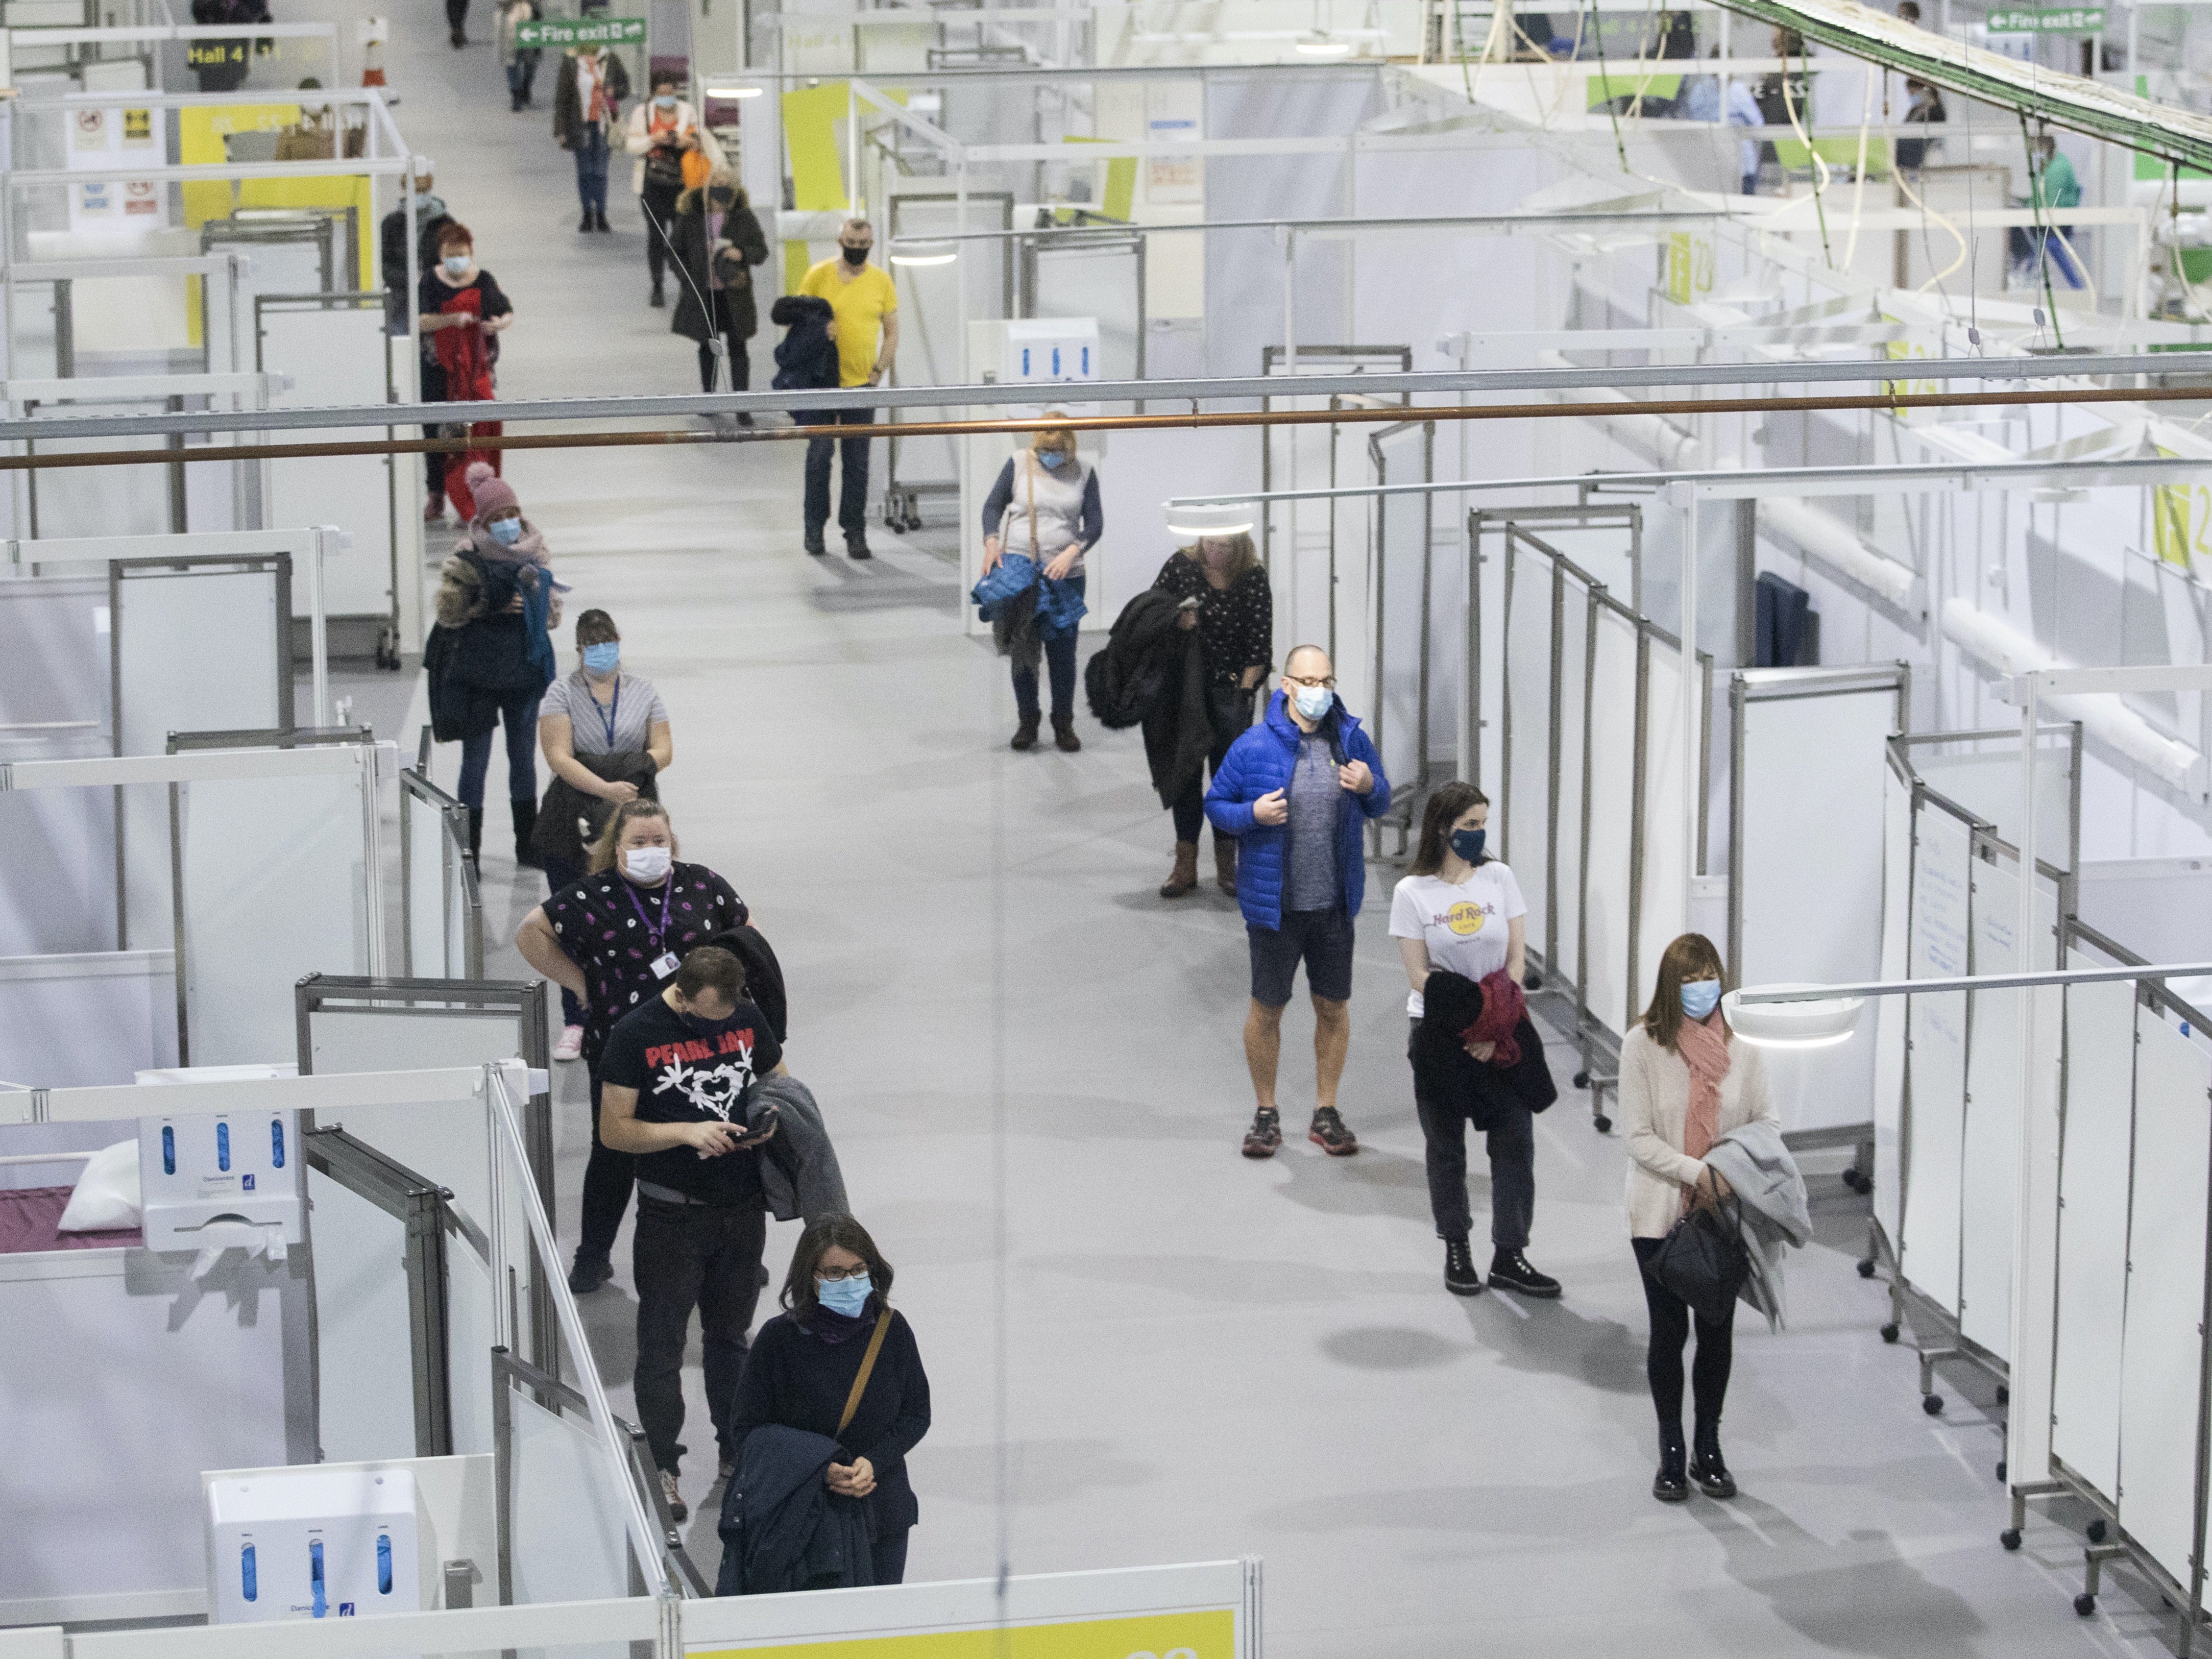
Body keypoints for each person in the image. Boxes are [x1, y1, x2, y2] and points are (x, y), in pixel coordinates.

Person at [514, 800, 750, 1294]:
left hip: (700, 1045)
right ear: (615, 848)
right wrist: (580, 985)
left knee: (716, 1142)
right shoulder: (591, 895)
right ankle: (593, 1254)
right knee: (614, 1150)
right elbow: (531, 932)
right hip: (622, 1045)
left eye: (658, 841)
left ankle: (733, 1244)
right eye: (638, 843)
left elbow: (744, 933)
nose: (650, 851)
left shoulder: (701, 884)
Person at [597, 945, 785, 1522]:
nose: (717, 1028)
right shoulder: (637, 1032)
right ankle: (664, 1464)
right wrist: (686, 1131)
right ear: (680, 993)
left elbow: (777, 1083)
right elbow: (614, 1131)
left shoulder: (745, 1017)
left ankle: (736, 1449)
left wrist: (767, 1120)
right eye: (704, 1018)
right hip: (670, 1216)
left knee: (731, 1338)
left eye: (724, 1019)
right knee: (662, 1345)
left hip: (741, 1209)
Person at [1205, 645, 1391, 1160]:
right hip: (1275, 908)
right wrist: (1252, 814)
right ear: (1286, 685)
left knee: (1332, 1005)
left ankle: (1325, 1110)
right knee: (1267, 1008)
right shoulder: (1252, 746)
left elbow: (1381, 800)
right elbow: (1216, 806)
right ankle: (1266, 1112)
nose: (1319, 690)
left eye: (1326, 679)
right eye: (1308, 680)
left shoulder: (1350, 740)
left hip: (1333, 905)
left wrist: (1371, 783)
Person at [1620, 933, 1776, 1504]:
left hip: (1723, 1215)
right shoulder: (1643, 1045)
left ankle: (1709, 1447)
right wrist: (1696, 1172)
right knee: (1669, 1331)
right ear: (1670, 985)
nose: (1699, 988)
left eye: (1707, 975)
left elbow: (1765, 1123)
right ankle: (1671, 1450)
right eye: (1687, 979)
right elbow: (1636, 1137)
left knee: (1715, 1329)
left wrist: (1729, 1173)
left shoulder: (1746, 1047)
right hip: (1659, 1214)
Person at [1390, 783, 1561, 1300]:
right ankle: (1457, 1247)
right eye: (1468, 825)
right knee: (1446, 1148)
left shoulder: (1499, 877)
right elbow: (1420, 975)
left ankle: (1510, 1253)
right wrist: (1469, 1023)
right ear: (1441, 827)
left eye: (1482, 823)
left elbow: (1514, 959)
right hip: (1441, 1034)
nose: (1477, 833)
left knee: (1515, 1142)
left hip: (1502, 1029)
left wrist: (1493, 1024)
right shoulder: (1412, 893)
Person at [727, 1215, 931, 1587]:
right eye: (834, 1273)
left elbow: (916, 1415)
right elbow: (747, 1430)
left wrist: (873, 1461)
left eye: (858, 1270)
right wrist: (818, 1469)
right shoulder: (778, 1340)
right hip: (807, 1516)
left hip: (882, 1508)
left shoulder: (892, 1329)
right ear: (810, 1277)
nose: (850, 1282)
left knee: (878, 1633)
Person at [536, 609, 673, 1060]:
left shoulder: (644, 690)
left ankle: (642, 1013)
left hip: (633, 809)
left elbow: (663, 748)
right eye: (591, 646)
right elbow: (558, 756)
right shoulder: (560, 693)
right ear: (578, 650)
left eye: (607, 643)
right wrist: (606, 788)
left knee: (641, 916)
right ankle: (576, 1022)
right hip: (574, 811)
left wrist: (637, 772)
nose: (601, 652)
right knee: (574, 925)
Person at [426, 463, 557, 864]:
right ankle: (471, 847)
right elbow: (448, 614)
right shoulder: (464, 557)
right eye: (496, 519)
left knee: (523, 760)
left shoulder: (537, 551)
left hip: (523, 673)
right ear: (482, 521)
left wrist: (535, 601)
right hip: (478, 677)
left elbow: (553, 616)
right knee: (475, 763)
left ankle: (527, 843)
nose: (506, 524)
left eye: (510, 515)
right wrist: (487, 602)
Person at [1148, 533, 1271, 897]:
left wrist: (1246, 692)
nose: (1215, 553)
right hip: (1183, 688)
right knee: (1185, 772)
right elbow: (1150, 614)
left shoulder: (1252, 577)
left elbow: (1260, 641)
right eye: (1210, 545)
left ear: (1239, 548)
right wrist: (1177, 622)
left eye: (1224, 547)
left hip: (1230, 689)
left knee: (1227, 780)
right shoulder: (1179, 567)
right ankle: (1184, 863)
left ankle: (1226, 863)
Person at [980, 427, 1101, 752]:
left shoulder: (1085, 471)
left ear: (1070, 448)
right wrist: (991, 542)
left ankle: (1063, 722)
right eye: (1045, 450)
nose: (1051, 457)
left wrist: (1073, 551)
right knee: (1023, 647)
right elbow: (992, 507)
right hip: (1020, 569)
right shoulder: (1019, 463)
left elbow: (1095, 523)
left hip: (1067, 573)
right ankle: (1027, 721)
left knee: (1063, 652)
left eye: (1058, 451)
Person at [797, 219, 899, 560]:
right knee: (819, 458)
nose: (857, 247)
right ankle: (814, 528)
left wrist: (877, 373)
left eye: (864, 242)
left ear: (871, 244)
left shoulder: (881, 281)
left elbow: (892, 331)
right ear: (841, 240)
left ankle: (854, 531)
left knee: (857, 463)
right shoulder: (818, 275)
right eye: (852, 241)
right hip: (820, 384)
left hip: (861, 386)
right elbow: (797, 321)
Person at [418, 222, 514, 524]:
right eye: (450, 254)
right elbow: (422, 322)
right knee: (437, 432)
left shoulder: (484, 280)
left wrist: (498, 324)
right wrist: (451, 320)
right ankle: (437, 493)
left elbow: (506, 311)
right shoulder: (430, 283)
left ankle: (482, 492)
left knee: (481, 427)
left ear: (470, 253)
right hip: (438, 368)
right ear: (441, 254)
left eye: (461, 254)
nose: (456, 260)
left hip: (475, 369)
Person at [669, 167, 770, 399]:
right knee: (707, 346)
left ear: (735, 191)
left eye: (728, 185)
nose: (722, 189)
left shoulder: (744, 217)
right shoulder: (691, 216)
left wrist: (741, 253)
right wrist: (688, 278)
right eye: (718, 183)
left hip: (735, 293)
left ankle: (741, 401)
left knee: (738, 346)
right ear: (707, 187)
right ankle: (709, 397)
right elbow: (675, 252)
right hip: (703, 293)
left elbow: (761, 251)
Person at [627, 74, 717, 307]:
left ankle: (687, 283)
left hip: (682, 184)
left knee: (683, 236)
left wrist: (687, 141)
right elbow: (632, 146)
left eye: (670, 93)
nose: (667, 98)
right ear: (654, 94)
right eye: (662, 94)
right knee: (656, 235)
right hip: (653, 183)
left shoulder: (688, 111)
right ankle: (657, 284)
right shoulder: (643, 114)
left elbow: (702, 139)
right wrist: (653, 139)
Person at [554, 42, 630, 234]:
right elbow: (562, 97)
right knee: (584, 171)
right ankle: (587, 213)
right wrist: (561, 130)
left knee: (601, 172)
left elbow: (625, 86)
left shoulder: (610, 59)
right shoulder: (571, 60)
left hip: (604, 124)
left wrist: (614, 92)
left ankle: (602, 213)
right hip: (579, 124)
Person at [380, 161, 451, 334]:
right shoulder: (391, 224)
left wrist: (430, 278)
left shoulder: (445, 224)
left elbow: (453, 260)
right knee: (401, 347)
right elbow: (385, 267)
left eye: (423, 191)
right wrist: (410, 279)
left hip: (436, 297)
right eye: (415, 191)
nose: (419, 196)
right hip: (401, 300)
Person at [2012, 131, 2085, 290]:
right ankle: (2025, 278)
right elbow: (2040, 196)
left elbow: (2050, 203)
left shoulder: (2058, 168)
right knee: (2034, 242)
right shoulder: (2049, 164)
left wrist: (2029, 209)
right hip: (2048, 220)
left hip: (2056, 223)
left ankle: (2077, 287)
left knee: (2041, 244)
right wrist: (2022, 201)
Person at [1682, 60, 1765, 196]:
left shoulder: (1699, 90)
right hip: (1740, 165)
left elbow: (1693, 124)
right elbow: (1758, 124)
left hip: (1709, 163)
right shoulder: (1737, 90)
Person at [497, 0, 543, 111]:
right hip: (509, 15)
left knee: (531, 60)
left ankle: (526, 85)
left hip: (532, 14)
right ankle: (516, 94)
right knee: (512, 58)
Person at [1895, 78, 1944, 174]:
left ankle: (1908, 172)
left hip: (1921, 143)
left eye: (1912, 92)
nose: (1910, 96)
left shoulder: (1931, 107)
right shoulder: (1920, 107)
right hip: (1914, 142)